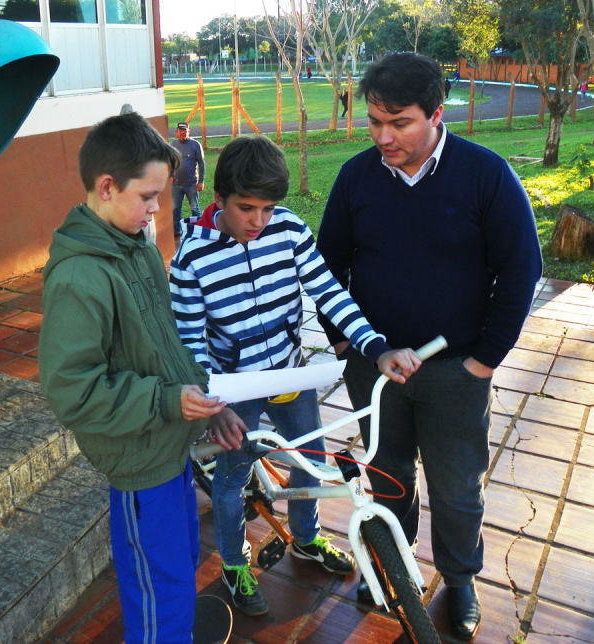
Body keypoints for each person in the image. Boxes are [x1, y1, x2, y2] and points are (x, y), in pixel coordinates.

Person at [316, 53, 542, 641]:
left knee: (457, 486)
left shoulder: (485, 175)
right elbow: (327, 263)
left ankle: (460, 578)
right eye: (373, 122)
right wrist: (345, 341)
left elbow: (520, 270)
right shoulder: (357, 177)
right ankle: (391, 567)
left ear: (437, 114)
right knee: (387, 477)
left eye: (400, 123)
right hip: (377, 368)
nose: (383, 137)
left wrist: (482, 361)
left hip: (455, 372)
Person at [169, 136, 421, 618]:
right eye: (246, 208)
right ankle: (234, 564)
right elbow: (189, 343)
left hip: (290, 373)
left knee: (312, 461)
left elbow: (329, 292)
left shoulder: (288, 230)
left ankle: (306, 539)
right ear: (218, 199)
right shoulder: (191, 259)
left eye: (268, 209)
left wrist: (377, 345)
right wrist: (212, 405)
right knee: (231, 478)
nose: (259, 222)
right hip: (233, 390)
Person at [38, 112, 226, 644]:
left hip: (169, 448)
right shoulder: (81, 275)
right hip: (139, 463)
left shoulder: (138, 244)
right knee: (158, 597)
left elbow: (164, 339)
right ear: (105, 187)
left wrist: (206, 399)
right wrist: (169, 402)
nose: (157, 209)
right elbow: (73, 391)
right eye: (147, 196)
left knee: (180, 567)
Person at [171, 121, 205, 238]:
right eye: (180, 131)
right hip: (176, 184)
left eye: (185, 131)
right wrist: (170, 175)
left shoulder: (195, 145)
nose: (183, 133)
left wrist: (201, 181)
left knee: (194, 209)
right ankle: (176, 231)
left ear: (188, 132)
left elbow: (201, 163)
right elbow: (170, 162)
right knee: (175, 209)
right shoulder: (173, 144)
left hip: (191, 184)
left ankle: (198, 231)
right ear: (177, 132)